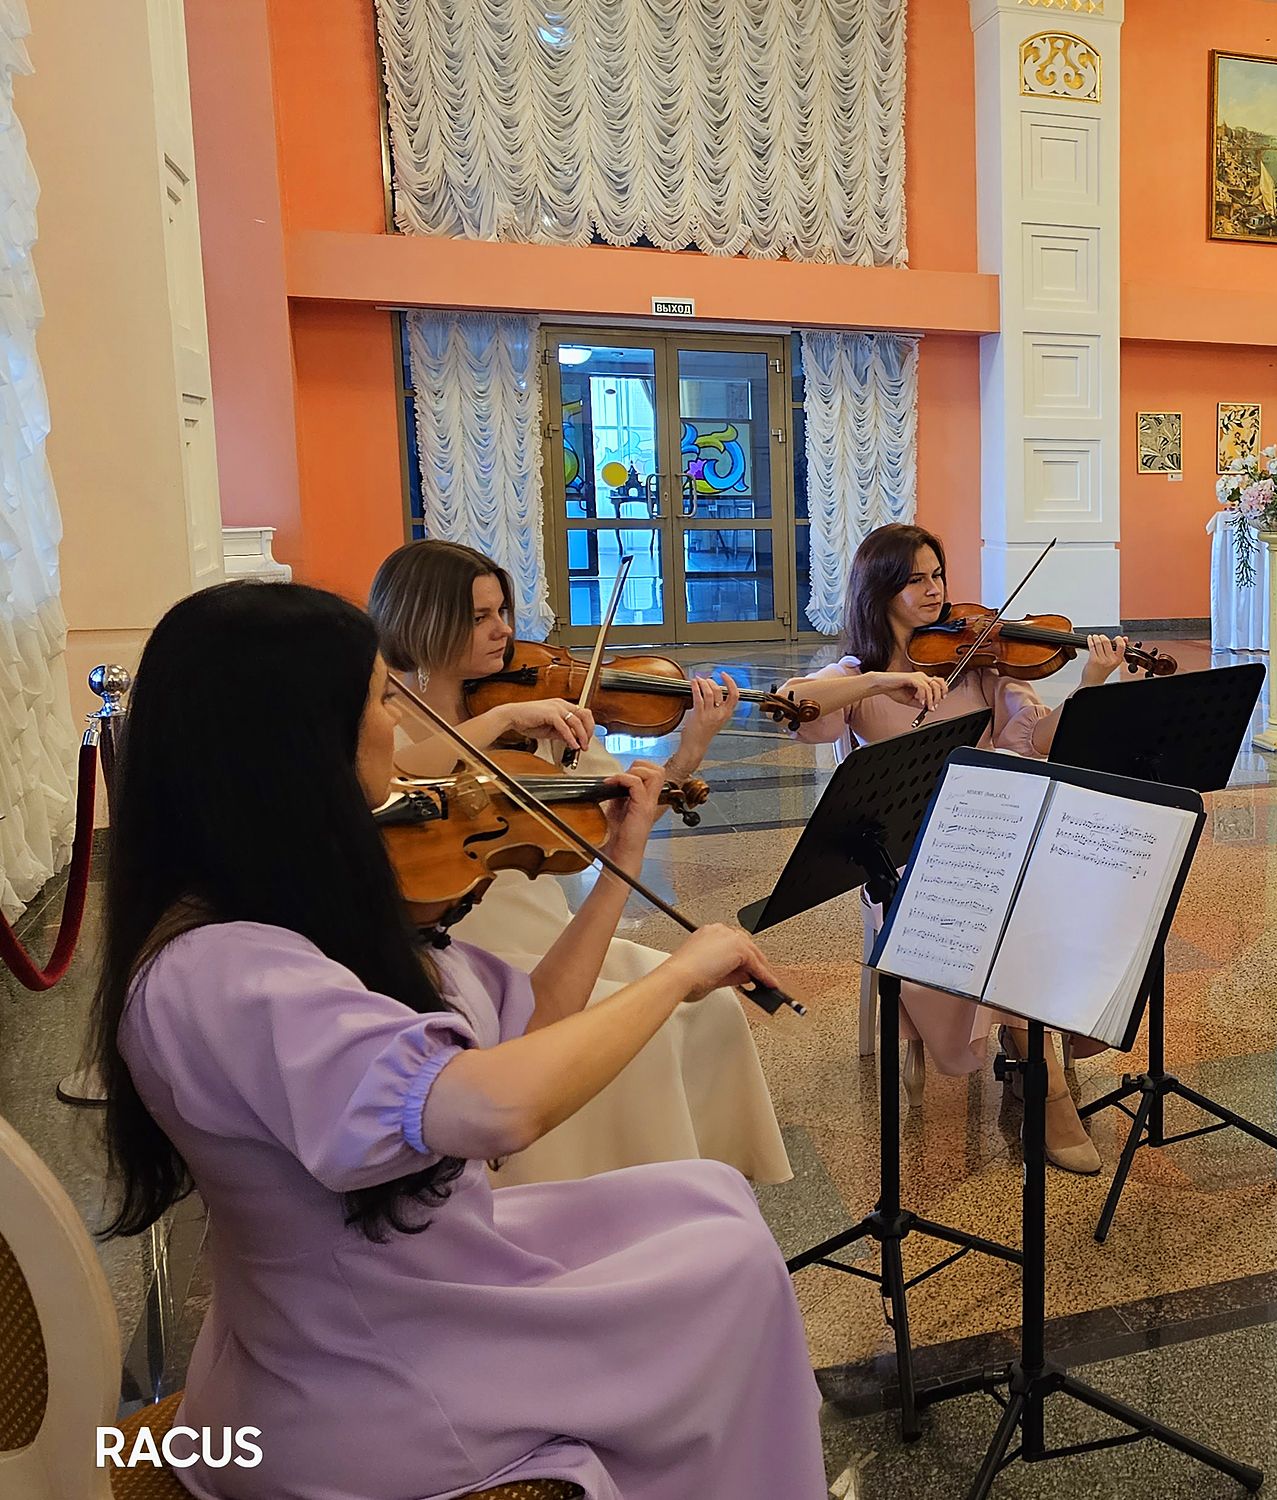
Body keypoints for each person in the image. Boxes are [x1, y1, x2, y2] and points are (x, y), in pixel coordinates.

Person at [90, 582, 825, 1499]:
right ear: (295, 748)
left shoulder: (275, 914)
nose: (396, 736)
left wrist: (618, 866)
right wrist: (677, 975)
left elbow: (532, 1019)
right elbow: (498, 1107)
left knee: (711, 1201)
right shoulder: (224, 972)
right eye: (375, 706)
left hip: (374, 1300)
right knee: (725, 1282)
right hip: (357, 1385)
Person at [368, 539, 789, 1187]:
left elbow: (615, 799)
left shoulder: (518, 718)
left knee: (714, 1005)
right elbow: (407, 774)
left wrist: (689, 751)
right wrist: (507, 714)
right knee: (647, 1041)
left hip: (556, 938)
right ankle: (630, 1197)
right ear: (423, 619)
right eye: (482, 616)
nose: (504, 629)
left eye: (501, 610)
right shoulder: (385, 714)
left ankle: (711, 1187)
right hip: (480, 955)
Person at [773, 523, 1139, 1175]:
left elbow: (1042, 741)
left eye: (938, 574)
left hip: (991, 837)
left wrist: (1092, 679)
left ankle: (1036, 1055)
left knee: (1053, 886)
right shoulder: (858, 674)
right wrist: (881, 685)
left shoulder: (979, 665)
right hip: (906, 864)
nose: (934, 589)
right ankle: (1046, 1082)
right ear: (877, 589)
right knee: (1000, 904)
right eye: (916, 578)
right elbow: (794, 704)